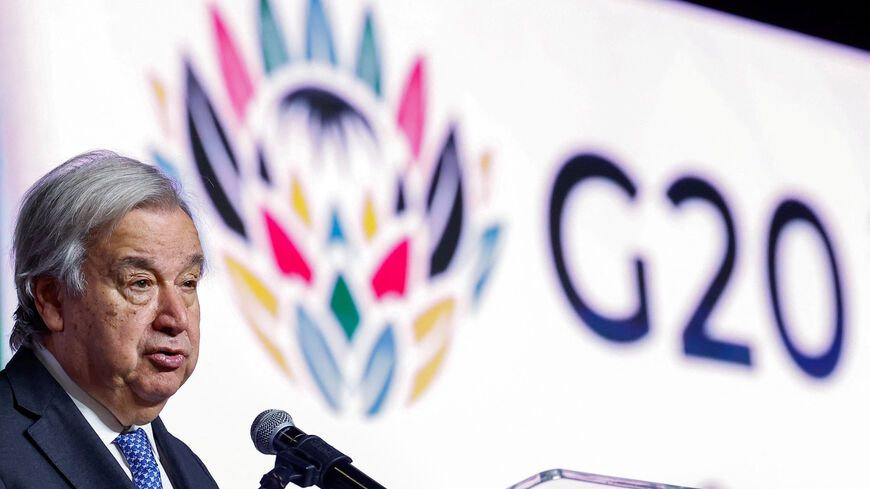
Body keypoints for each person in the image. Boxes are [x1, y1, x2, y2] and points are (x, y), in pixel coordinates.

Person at [0, 150, 220, 488]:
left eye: (188, 283)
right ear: (53, 299)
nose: (176, 318)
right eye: (141, 283)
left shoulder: (189, 470)